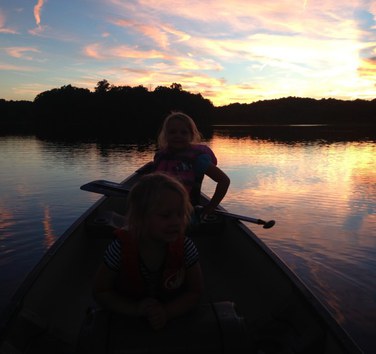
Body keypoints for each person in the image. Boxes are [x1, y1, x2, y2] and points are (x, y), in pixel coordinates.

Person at [93, 172, 203, 331]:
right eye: (165, 216)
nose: (176, 222)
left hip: (174, 320)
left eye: (180, 214)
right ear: (140, 218)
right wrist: (135, 309)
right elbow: (101, 291)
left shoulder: (186, 247)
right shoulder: (119, 249)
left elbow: (195, 291)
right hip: (128, 323)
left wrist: (166, 312)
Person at [154, 111, 230, 217]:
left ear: (191, 135)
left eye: (183, 133)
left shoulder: (198, 159)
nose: (178, 136)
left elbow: (224, 181)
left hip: (185, 214)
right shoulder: (161, 156)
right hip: (159, 209)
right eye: (172, 132)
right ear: (165, 135)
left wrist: (210, 207)